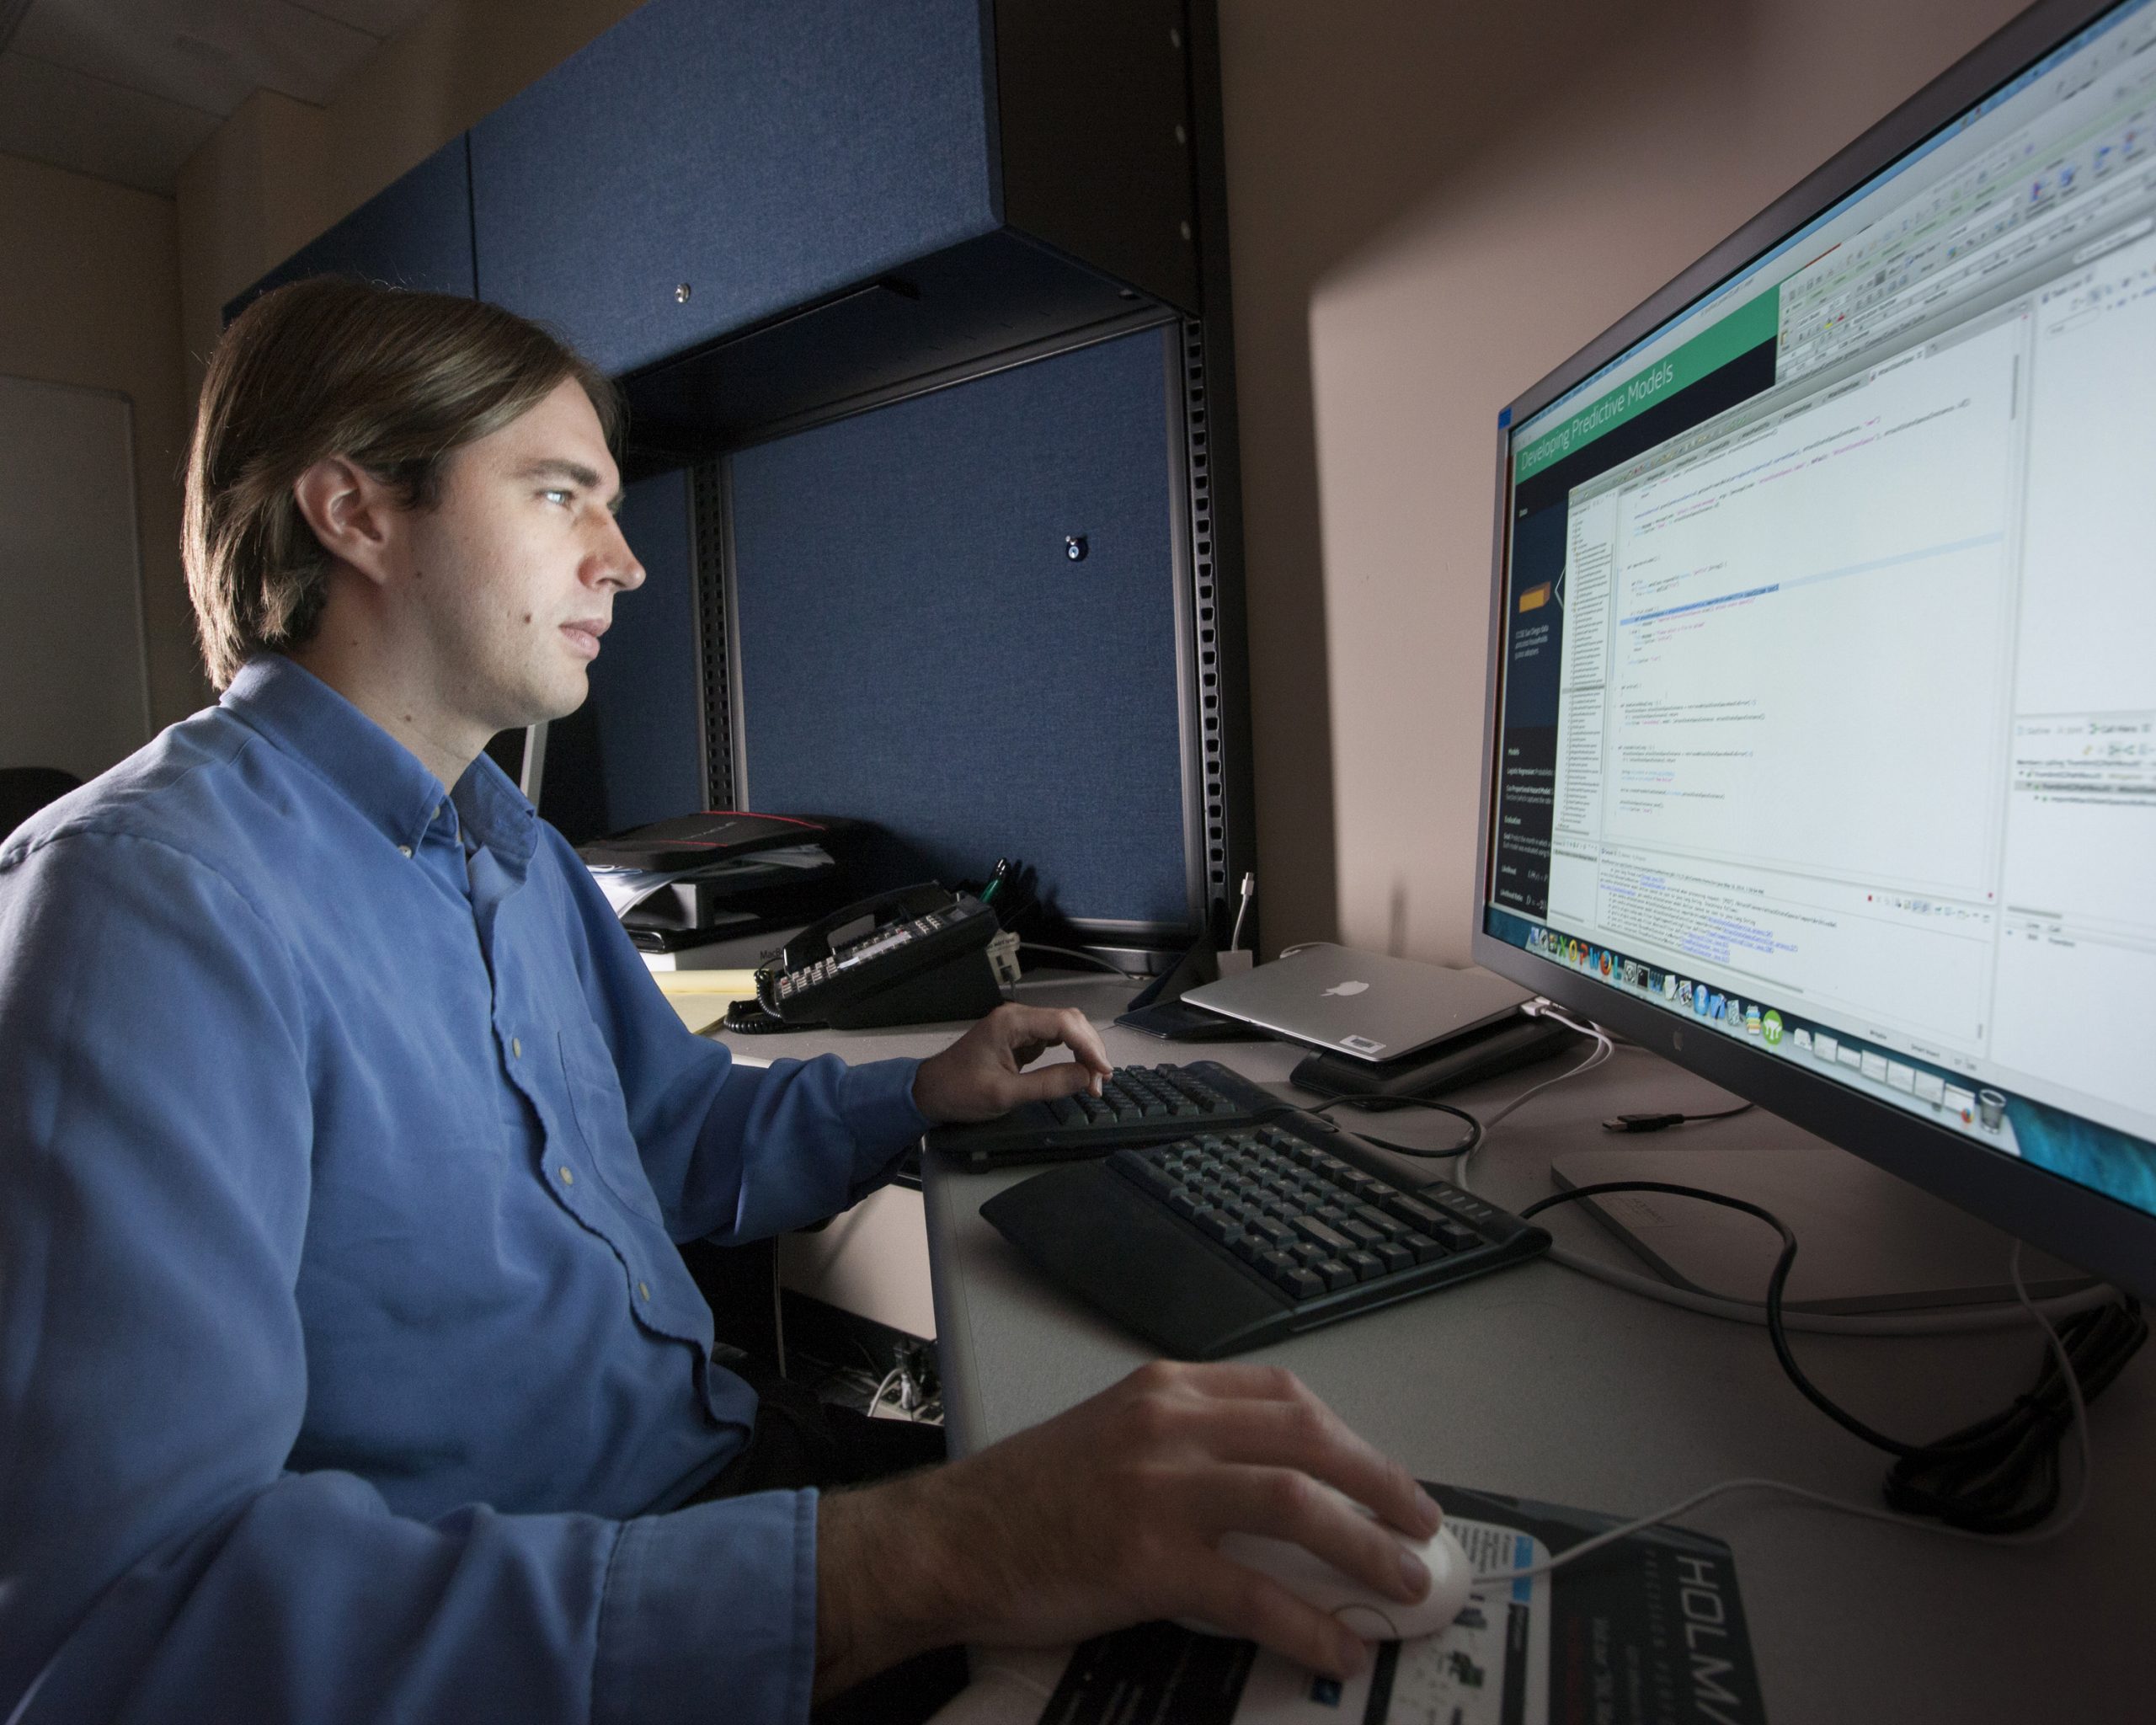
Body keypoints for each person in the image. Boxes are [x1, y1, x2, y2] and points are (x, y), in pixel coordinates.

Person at [0, 279, 1442, 1724]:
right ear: (358, 513)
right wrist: (934, 1551)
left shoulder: (510, 852)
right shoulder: (145, 901)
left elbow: (676, 1140)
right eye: (562, 494)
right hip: (569, 1628)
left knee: (1302, 1579)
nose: (623, 561)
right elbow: (126, 1627)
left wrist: (921, 1095)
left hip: (725, 1487)